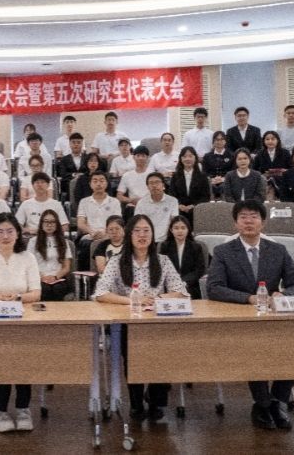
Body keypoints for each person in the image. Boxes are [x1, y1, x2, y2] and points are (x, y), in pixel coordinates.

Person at [206, 200, 294, 431]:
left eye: (254, 216)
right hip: (239, 322)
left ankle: (278, 401)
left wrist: (283, 294)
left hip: (273, 319)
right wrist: (248, 298)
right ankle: (262, 404)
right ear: (235, 223)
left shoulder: (278, 250)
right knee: (254, 348)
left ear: (263, 222)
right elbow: (214, 288)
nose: (249, 221)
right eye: (243, 217)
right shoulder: (223, 251)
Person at [94, 214, 189, 421]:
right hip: (129, 322)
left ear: (153, 235)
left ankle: (155, 401)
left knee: (162, 354)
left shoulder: (163, 260)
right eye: (137, 231)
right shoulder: (117, 261)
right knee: (133, 357)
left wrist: (158, 298)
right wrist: (133, 300)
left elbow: (181, 290)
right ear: (129, 235)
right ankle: (136, 403)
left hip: (157, 321)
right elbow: (100, 293)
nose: (142, 235)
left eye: (146, 230)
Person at [0, 213, 42, 433]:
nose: (5, 236)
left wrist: (17, 297)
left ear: (18, 234)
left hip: (23, 317)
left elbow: (36, 293)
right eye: (0, 231)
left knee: (23, 361)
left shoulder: (27, 257)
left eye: (10, 231)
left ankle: (23, 409)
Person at [76, 171, 122, 271]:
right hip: (90, 235)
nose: (98, 184)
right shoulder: (84, 202)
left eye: (101, 181)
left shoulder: (114, 202)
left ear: (107, 183)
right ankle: (86, 275)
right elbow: (80, 223)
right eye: (95, 181)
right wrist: (92, 232)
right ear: (90, 184)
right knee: (86, 244)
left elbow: (117, 222)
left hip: (109, 235)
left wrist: (105, 233)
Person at [27, 209, 73, 301]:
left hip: (58, 277)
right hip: (39, 278)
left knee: (58, 289)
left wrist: (55, 277)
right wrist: (42, 277)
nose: (49, 225)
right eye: (46, 222)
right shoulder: (33, 241)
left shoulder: (64, 242)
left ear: (57, 224)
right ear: (41, 224)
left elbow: (66, 267)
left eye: (52, 222)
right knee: (45, 289)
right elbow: (29, 265)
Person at [160, 215, 207, 299]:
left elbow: (199, 270)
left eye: (183, 228)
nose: (180, 231)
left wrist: (184, 282)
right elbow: (161, 268)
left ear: (188, 230)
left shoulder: (196, 247)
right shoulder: (165, 246)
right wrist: (174, 284)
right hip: (169, 286)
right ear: (171, 230)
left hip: (190, 286)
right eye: (176, 228)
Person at [169, 146, 211, 227]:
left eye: (190, 156)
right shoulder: (175, 176)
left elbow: (206, 197)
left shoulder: (202, 176)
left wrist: (193, 206)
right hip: (179, 210)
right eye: (184, 156)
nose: (187, 159)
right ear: (181, 159)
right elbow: (172, 194)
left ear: (195, 158)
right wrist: (179, 205)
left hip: (197, 210)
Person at [133, 173, 179, 243]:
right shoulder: (141, 203)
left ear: (163, 185)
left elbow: (174, 222)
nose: (154, 185)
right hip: (147, 240)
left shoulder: (173, 201)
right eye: (151, 183)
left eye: (157, 182)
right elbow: (137, 223)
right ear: (147, 187)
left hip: (167, 241)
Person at [253, 131, 293, 198]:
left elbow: (292, 168)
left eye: (273, 139)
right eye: (267, 139)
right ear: (263, 141)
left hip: (282, 181)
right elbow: (254, 170)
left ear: (278, 140)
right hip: (265, 182)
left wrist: (283, 171)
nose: (270, 141)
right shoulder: (259, 154)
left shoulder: (285, 153)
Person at [116, 145, 152, 217]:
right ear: (133, 157)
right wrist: (131, 200)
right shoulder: (127, 175)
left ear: (147, 158)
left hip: (150, 204)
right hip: (133, 206)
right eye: (138, 156)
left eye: (143, 156)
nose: (140, 158)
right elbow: (119, 196)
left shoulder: (152, 174)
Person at [202, 130, 234, 199]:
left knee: (224, 186)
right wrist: (211, 179)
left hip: (226, 181)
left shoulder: (232, 155)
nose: (219, 142)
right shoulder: (207, 156)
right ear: (213, 141)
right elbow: (204, 172)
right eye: (217, 140)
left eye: (222, 139)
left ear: (225, 141)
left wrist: (223, 179)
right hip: (211, 181)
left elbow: (233, 171)